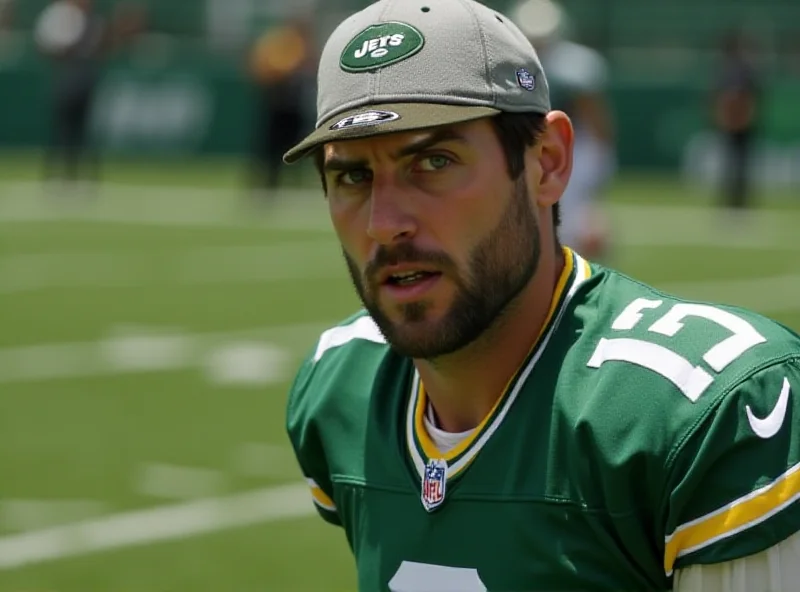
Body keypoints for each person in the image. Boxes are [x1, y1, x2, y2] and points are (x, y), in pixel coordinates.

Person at [282, 0, 800, 589]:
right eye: (353, 175)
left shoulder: (706, 411)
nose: (384, 223)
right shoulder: (340, 387)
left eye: (433, 160)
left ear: (547, 163)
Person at [512, 0, 616, 262]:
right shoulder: (511, 62)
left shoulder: (574, 64)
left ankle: (578, 260)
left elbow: (594, 114)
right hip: (526, 143)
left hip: (571, 145)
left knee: (567, 213)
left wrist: (601, 151)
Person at [246, 15, 316, 201]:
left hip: (293, 105)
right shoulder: (280, 42)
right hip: (277, 102)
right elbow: (268, 68)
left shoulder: (301, 44)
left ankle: (292, 184)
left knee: (296, 146)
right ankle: (267, 185)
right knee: (271, 147)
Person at [712, 30, 761, 213]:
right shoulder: (730, 70)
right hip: (734, 123)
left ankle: (737, 201)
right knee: (734, 164)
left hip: (740, 124)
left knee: (737, 165)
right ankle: (733, 201)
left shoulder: (738, 70)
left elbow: (751, 98)